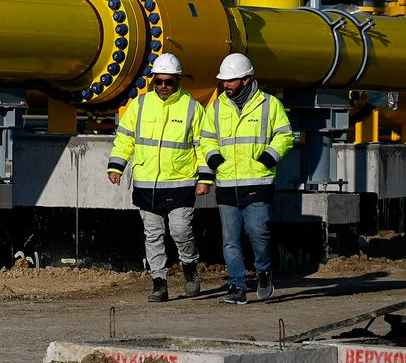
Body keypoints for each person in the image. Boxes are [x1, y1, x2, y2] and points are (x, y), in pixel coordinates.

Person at [107, 53, 209, 302]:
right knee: (152, 235)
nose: (163, 86)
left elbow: (204, 145)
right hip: (146, 183)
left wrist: (205, 178)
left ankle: (189, 267)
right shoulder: (140, 105)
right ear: (153, 81)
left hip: (181, 182)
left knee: (181, 231)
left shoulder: (192, 107)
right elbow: (125, 138)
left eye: (169, 82)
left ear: (177, 81)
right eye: (159, 81)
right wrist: (116, 166)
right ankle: (159, 283)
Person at [199, 52, 295, 305]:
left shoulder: (269, 104)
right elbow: (206, 138)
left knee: (258, 233)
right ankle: (237, 287)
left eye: (230, 80)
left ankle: (263, 271)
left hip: (258, 181)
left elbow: (285, 135)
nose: (226, 85)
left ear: (246, 79)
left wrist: (268, 159)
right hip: (227, 182)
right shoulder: (218, 106)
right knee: (230, 241)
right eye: (224, 81)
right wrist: (214, 160)